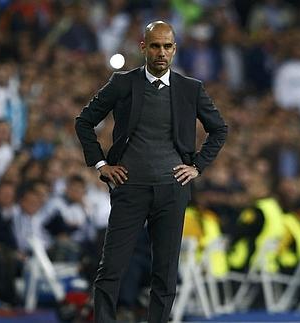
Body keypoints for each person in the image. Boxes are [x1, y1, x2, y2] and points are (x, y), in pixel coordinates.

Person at [74, 20, 228, 323]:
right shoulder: (123, 83)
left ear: (174, 49)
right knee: (111, 268)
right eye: (155, 45)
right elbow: (84, 121)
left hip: (172, 190)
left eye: (167, 46)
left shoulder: (191, 89)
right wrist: (102, 165)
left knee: (166, 272)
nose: (161, 52)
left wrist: (197, 166)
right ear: (143, 47)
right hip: (129, 188)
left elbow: (219, 129)